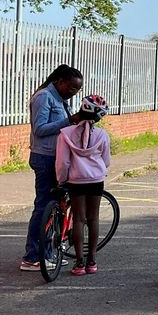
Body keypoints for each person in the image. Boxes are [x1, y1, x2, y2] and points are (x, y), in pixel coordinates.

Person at [21, 65, 84, 271]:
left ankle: (48, 253)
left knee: (55, 208)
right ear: (60, 81)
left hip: (57, 158)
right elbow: (39, 129)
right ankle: (32, 257)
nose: (73, 93)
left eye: (77, 90)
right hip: (45, 158)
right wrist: (69, 120)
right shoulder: (44, 97)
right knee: (43, 207)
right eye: (72, 88)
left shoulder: (59, 99)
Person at [54, 94, 111, 275]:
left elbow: (62, 162)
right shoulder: (102, 135)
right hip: (95, 179)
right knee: (93, 218)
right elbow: (106, 160)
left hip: (76, 180)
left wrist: (61, 180)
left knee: (78, 219)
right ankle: (92, 261)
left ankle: (79, 263)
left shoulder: (65, 134)